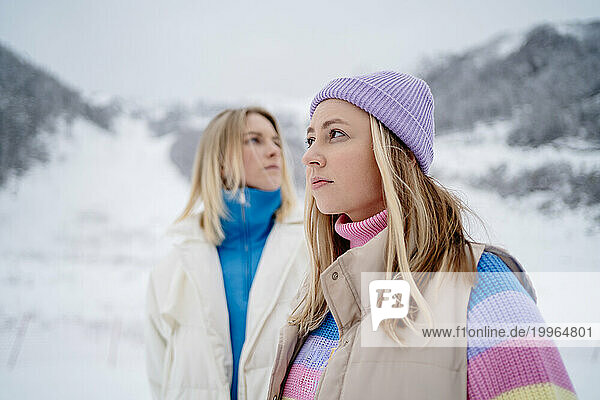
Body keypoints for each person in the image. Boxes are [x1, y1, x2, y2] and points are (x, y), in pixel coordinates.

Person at [267, 71, 577, 399]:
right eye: (311, 138)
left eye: (337, 134)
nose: (309, 156)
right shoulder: (321, 299)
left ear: (399, 153)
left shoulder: (477, 284)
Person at [145, 106, 308, 400]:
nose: (274, 151)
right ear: (220, 162)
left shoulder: (314, 248)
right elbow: (160, 379)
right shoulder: (172, 269)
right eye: (255, 140)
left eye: (276, 141)